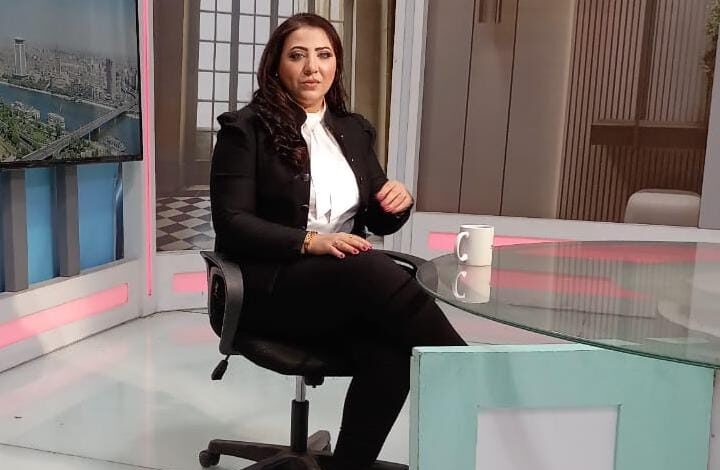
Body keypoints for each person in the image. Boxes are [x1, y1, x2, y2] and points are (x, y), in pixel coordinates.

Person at [210, 13, 466, 470]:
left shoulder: (353, 130)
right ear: (276, 66)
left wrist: (397, 203)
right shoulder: (243, 130)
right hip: (269, 288)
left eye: (323, 55)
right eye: (298, 55)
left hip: (343, 286)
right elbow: (232, 223)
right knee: (367, 264)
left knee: (390, 350)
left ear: (336, 65)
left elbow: (377, 217)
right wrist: (310, 242)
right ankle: (470, 373)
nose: (312, 67)